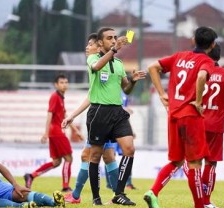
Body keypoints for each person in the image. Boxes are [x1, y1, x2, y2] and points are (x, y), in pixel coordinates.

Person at [63, 27, 146, 206]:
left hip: (117, 112)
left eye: (115, 37)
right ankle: (96, 198)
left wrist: (133, 81)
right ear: (101, 43)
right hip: (99, 112)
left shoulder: (118, 63)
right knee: (95, 156)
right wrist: (114, 49)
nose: (114, 40)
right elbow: (97, 66)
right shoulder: (93, 58)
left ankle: (119, 193)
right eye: (110, 38)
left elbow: (126, 88)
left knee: (129, 150)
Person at [144, 26, 218, 208]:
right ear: (213, 44)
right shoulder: (206, 61)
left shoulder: (179, 56)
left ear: (193, 40)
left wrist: (161, 94)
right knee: (194, 163)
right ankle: (200, 206)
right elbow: (201, 77)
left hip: (174, 115)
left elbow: (152, 67)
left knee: (177, 161)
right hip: (191, 116)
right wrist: (199, 101)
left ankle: (153, 192)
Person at [64, 33, 119, 204]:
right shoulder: (107, 63)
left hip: (101, 117)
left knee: (87, 156)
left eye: (90, 44)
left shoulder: (98, 62)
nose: (87, 47)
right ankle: (118, 195)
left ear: (99, 46)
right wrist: (73, 115)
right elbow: (91, 96)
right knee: (108, 157)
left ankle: (76, 196)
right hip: (108, 116)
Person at [200, 43, 224, 208]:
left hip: (197, 122)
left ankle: (195, 189)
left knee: (191, 160)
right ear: (219, 57)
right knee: (211, 163)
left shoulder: (199, 73)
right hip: (215, 125)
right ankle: (206, 201)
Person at [24, 74, 78, 192]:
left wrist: (75, 130)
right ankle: (65, 186)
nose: (64, 85)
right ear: (56, 85)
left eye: (66, 82)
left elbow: (64, 116)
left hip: (55, 132)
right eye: (62, 83)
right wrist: (45, 133)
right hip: (56, 132)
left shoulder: (61, 97)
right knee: (69, 158)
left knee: (56, 162)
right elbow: (49, 114)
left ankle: (31, 176)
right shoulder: (55, 97)